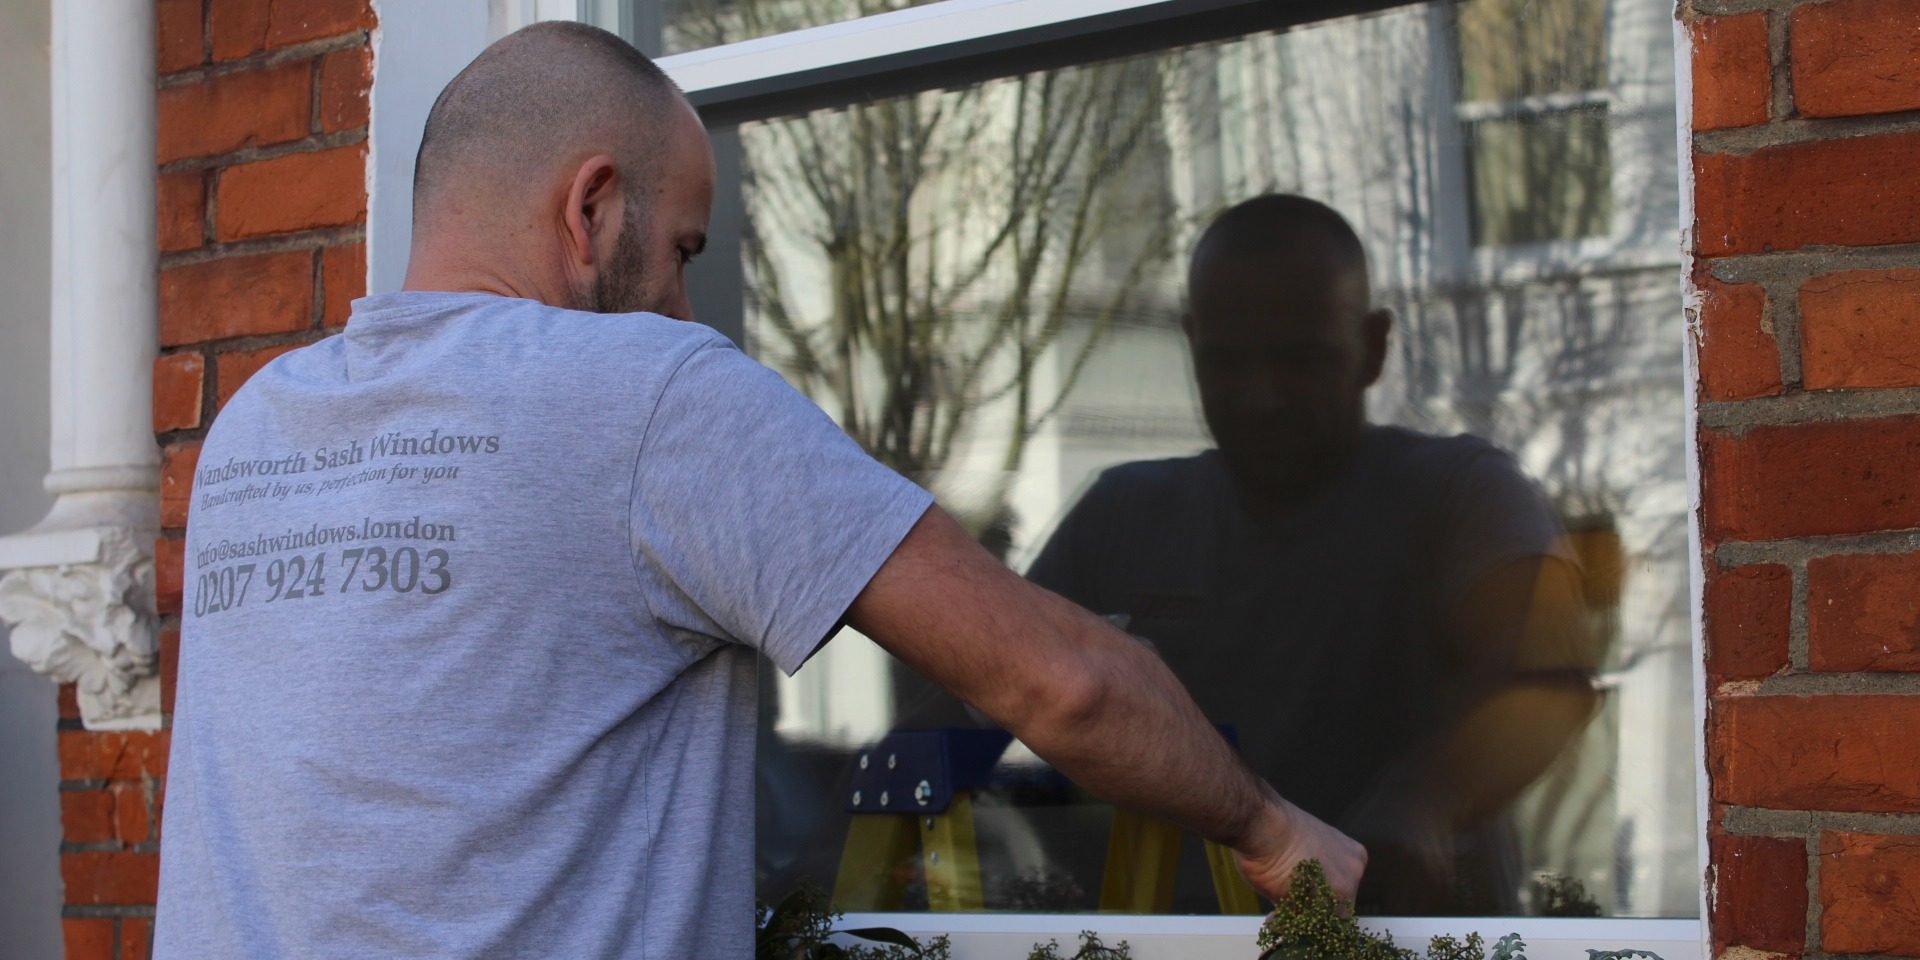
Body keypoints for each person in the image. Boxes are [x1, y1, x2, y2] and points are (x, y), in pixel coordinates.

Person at [152, 25, 1363, 958]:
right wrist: (1273, 832)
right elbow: (1066, 681)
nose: (686, 302)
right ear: (590, 206)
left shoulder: (257, 427)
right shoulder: (644, 388)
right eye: (682, 249)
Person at [1027, 194, 1602, 914]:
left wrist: (1422, 803)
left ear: (1374, 346)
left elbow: (1547, 685)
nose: (1262, 397)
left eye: (1300, 359)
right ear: (1191, 344)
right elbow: (978, 694)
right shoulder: (1120, 515)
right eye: (1226, 362)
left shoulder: (1459, 495)